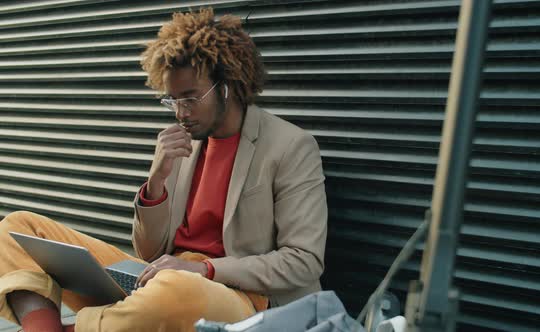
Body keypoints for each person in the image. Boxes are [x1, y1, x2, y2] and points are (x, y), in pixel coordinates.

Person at [0, 7, 327, 332]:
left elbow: (304, 262)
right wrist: (156, 182)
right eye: (172, 101)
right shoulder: (184, 144)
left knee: (174, 295)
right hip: (162, 278)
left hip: (240, 296)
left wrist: (206, 270)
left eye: (190, 98)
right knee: (17, 228)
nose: (180, 113)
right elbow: (149, 253)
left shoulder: (290, 147)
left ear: (227, 85)